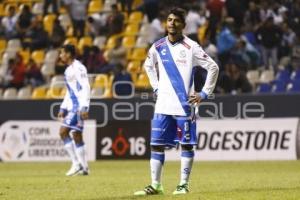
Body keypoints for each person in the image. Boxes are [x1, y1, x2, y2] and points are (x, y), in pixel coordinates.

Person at [134, 8, 219, 196]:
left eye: (176, 21)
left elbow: (213, 67)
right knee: (156, 144)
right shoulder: (157, 46)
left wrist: (204, 93)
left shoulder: (192, 47)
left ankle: (183, 184)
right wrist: (156, 87)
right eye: (169, 20)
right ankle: (156, 185)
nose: (172, 23)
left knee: (186, 145)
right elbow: (148, 66)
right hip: (162, 105)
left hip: (184, 105)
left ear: (183, 25)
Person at [57, 44, 91, 176]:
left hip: (79, 106)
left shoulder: (79, 68)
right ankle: (84, 168)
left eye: (62, 53)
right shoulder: (67, 70)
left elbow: (86, 86)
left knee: (63, 132)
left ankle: (76, 164)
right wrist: (63, 107)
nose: (60, 56)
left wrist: (85, 106)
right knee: (76, 135)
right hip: (72, 106)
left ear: (69, 54)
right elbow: (70, 91)